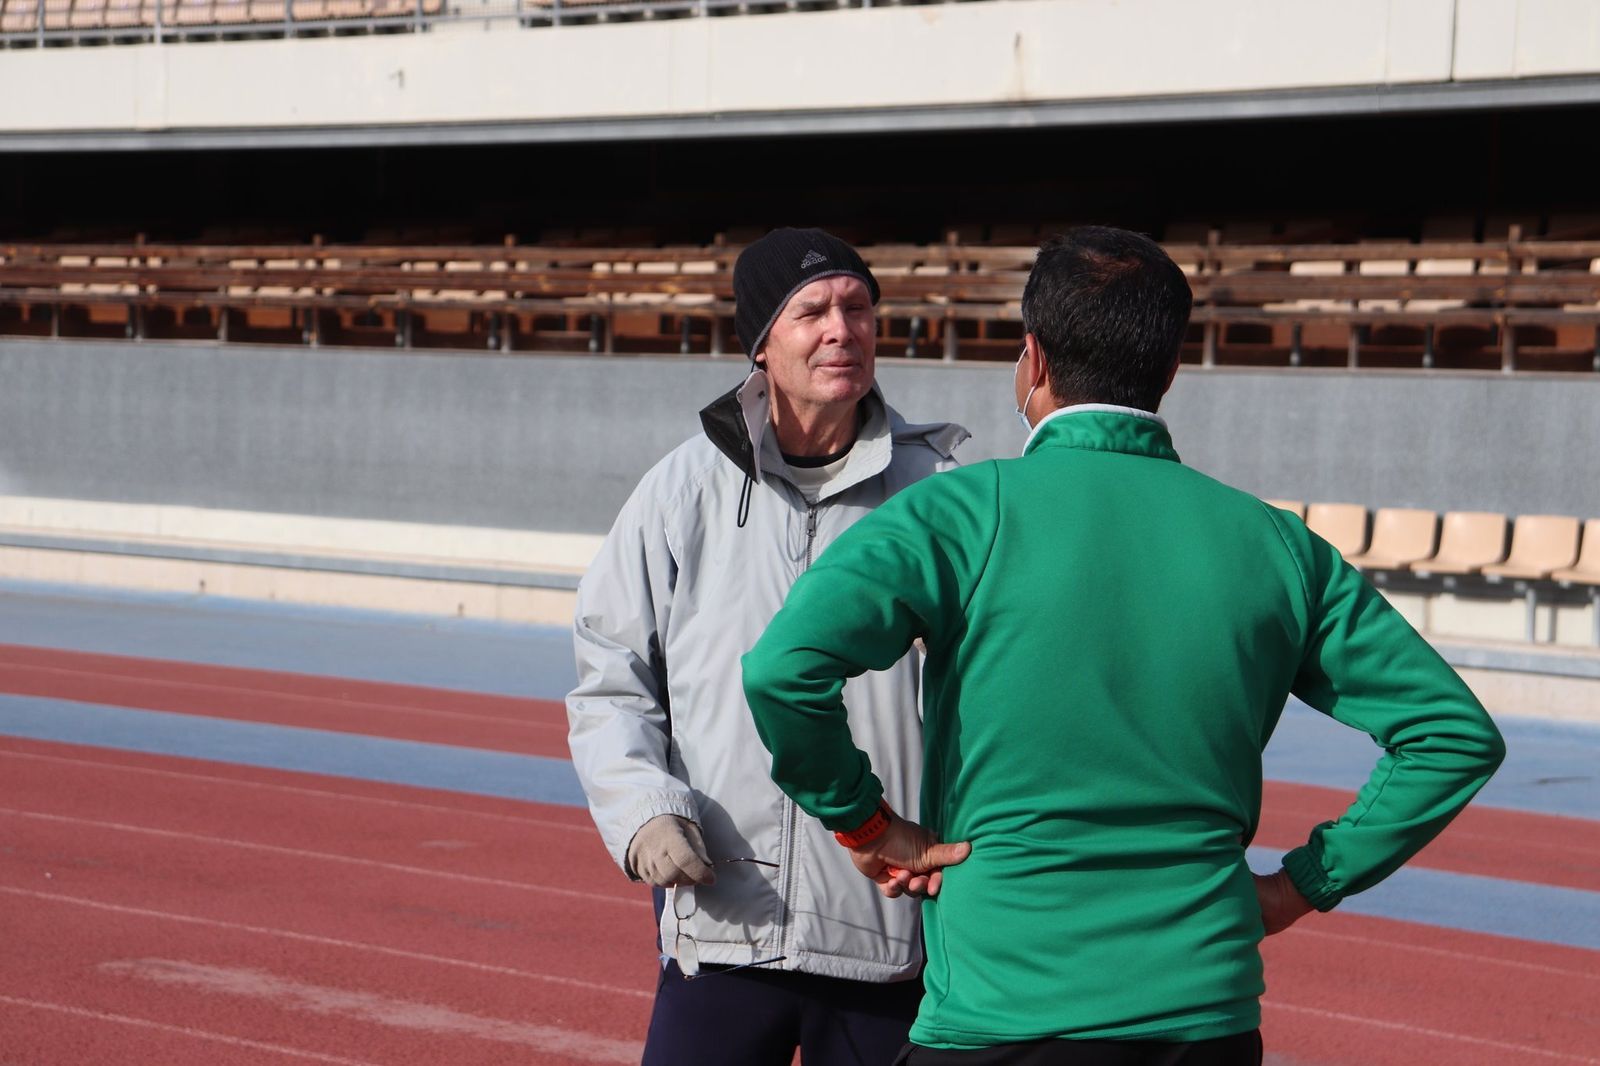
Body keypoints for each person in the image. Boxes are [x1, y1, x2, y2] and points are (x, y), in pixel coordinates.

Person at [741, 226, 1506, 1065]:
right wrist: (1301, 886)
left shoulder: (959, 513)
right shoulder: (1276, 545)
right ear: (1170, 369)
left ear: (1033, 359)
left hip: (1003, 1007)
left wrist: (865, 822)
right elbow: (1453, 735)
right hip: (1201, 1016)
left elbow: (784, 670)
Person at [567, 227, 969, 1066]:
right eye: (812, 311)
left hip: (885, 930)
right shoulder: (682, 489)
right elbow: (611, 677)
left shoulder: (939, 496)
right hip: (723, 919)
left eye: (857, 308)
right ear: (760, 344)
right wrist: (642, 810)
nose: (842, 330)